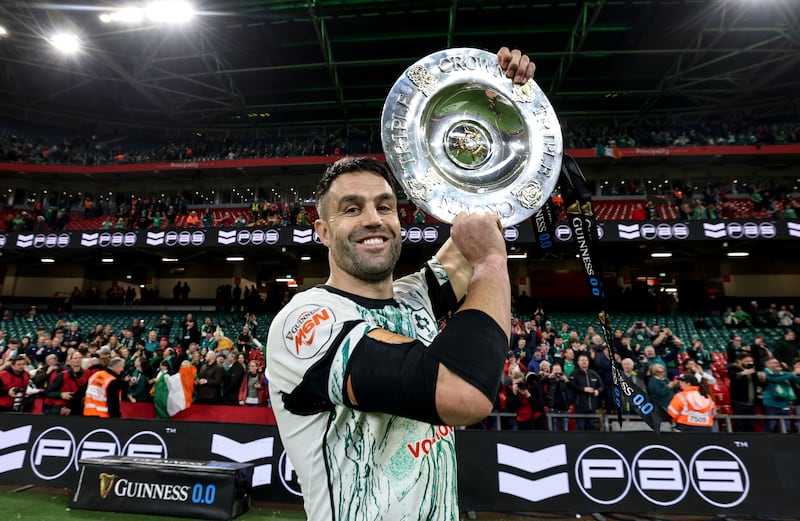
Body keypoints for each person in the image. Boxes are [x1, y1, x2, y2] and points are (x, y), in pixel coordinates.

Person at [267, 47, 530, 520]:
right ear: (323, 231)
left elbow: (485, 214)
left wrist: (507, 99)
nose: (374, 220)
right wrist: (492, 259)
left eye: (385, 206)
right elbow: (463, 394)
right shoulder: (307, 323)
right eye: (352, 209)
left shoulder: (413, 295)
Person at [760, 356, 800, 433]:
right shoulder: (765, 373)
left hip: (785, 404)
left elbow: (797, 380)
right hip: (771, 404)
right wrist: (793, 373)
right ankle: (764, 443)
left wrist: (795, 374)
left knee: (786, 428)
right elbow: (776, 379)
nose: (777, 364)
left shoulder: (783, 373)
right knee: (770, 427)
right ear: (767, 364)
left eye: (777, 363)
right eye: (774, 363)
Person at [42, 350, 88, 415]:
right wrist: (61, 394)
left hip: (79, 405)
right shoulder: (62, 375)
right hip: (63, 405)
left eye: (80, 358)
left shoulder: (87, 373)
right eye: (75, 358)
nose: (78, 360)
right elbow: (48, 392)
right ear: (70, 361)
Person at [568, 351, 604, 431]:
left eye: (586, 360)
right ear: (578, 362)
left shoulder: (593, 373)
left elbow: (601, 385)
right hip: (579, 407)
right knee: (581, 428)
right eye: (582, 360)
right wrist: (584, 389)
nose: (584, 362)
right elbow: (571, 386)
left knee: (591, 428)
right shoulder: (574, 373)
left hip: (592, 407)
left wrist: (597, 391)